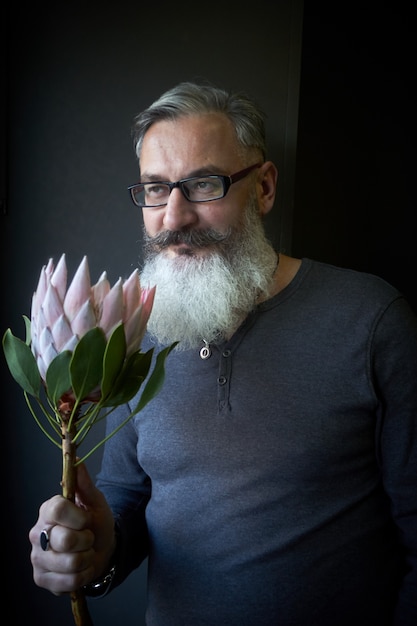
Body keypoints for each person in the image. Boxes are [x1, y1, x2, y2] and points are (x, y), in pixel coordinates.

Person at [29, 81, 417, 625]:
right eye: (156, 189)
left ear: (263, 188)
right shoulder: (134, 329)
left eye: (204, 185)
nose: (174, 216)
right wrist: (95, 555)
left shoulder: (371, 319)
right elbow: (126, 499)